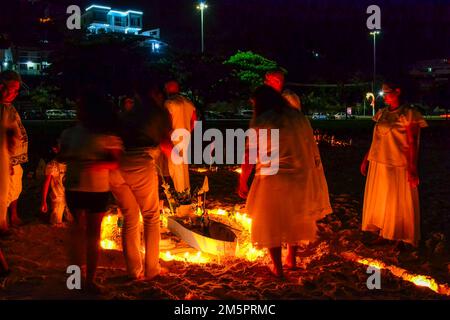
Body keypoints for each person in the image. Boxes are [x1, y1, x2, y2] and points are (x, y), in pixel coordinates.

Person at [239, 85, 332, 278]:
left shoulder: (263, 120)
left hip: (273, 177)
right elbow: (310, 147)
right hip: (299, 176)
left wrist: (243, 181)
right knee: (294, 219)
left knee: (271, 222)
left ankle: (278, 268)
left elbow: (250, 154)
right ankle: (291, 258)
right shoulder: (298, 118)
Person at [59, 88, 123, 293]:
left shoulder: (106, 135)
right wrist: (68, 157)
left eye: (81, 106)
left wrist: (95, 164)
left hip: (97, 188)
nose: (78, 110)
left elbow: (114, 162)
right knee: (77, 234)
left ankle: (89, 280)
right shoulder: (69, 133)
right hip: (76, 187)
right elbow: (62, 156)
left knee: (93, 235)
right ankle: (76, 281)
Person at [110, 82, 172, 281]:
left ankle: (132, 270)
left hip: (116, 167)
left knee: (130, 217)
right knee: (151, 217)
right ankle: (151, 269)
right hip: (140, 163)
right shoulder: (158, 113)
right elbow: (166, 145)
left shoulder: (126, 113)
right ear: (154, 93)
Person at [360, 82, 428, 248]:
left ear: (398, 91)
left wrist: (412, 167)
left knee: (396, 200)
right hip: (379, 161)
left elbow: (412, 142)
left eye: (388, 92)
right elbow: (376, 139)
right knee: (382, 198)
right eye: (383, 93)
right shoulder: (382, 113)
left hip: (397, 162)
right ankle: (384, 232)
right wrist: (366, 158)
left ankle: (398, 235)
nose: (385, 96)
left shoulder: (409, 113)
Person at [0, 70, 28, 233]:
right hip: (5, 161)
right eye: (12, 88)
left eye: (17, 90)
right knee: (5, 193)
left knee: (13, 189)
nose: (15, 93)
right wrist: (7, 160)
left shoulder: (8, 108)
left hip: (13, 159)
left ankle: (7, 220)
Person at [163, 80, 197, 193]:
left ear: (167, 89)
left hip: (174, 139)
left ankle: (181, 194)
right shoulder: (188, 103)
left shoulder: (169, 103)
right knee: (184, 167)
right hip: (185, 137)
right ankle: (185, 192)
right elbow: (194, 121)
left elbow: (166, 123)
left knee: (176, 168)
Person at [40, 139, 73, 226]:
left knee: (73, 219)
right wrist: (44, 201)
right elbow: (46, 183)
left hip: (71, 195)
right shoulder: (52, 165)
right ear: (55, 149)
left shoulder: (71, 163)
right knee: (55, 221)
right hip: (58, 196)